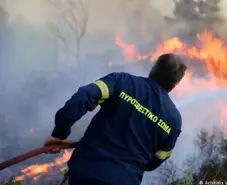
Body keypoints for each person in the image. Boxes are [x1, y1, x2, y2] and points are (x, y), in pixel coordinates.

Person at [44, 53, 187, 185]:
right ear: (174, 86)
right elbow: (156, 160)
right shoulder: (174, 120)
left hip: (86, 172)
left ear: (153, 70)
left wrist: (59, 134)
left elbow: (83, 96)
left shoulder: (122, 81)